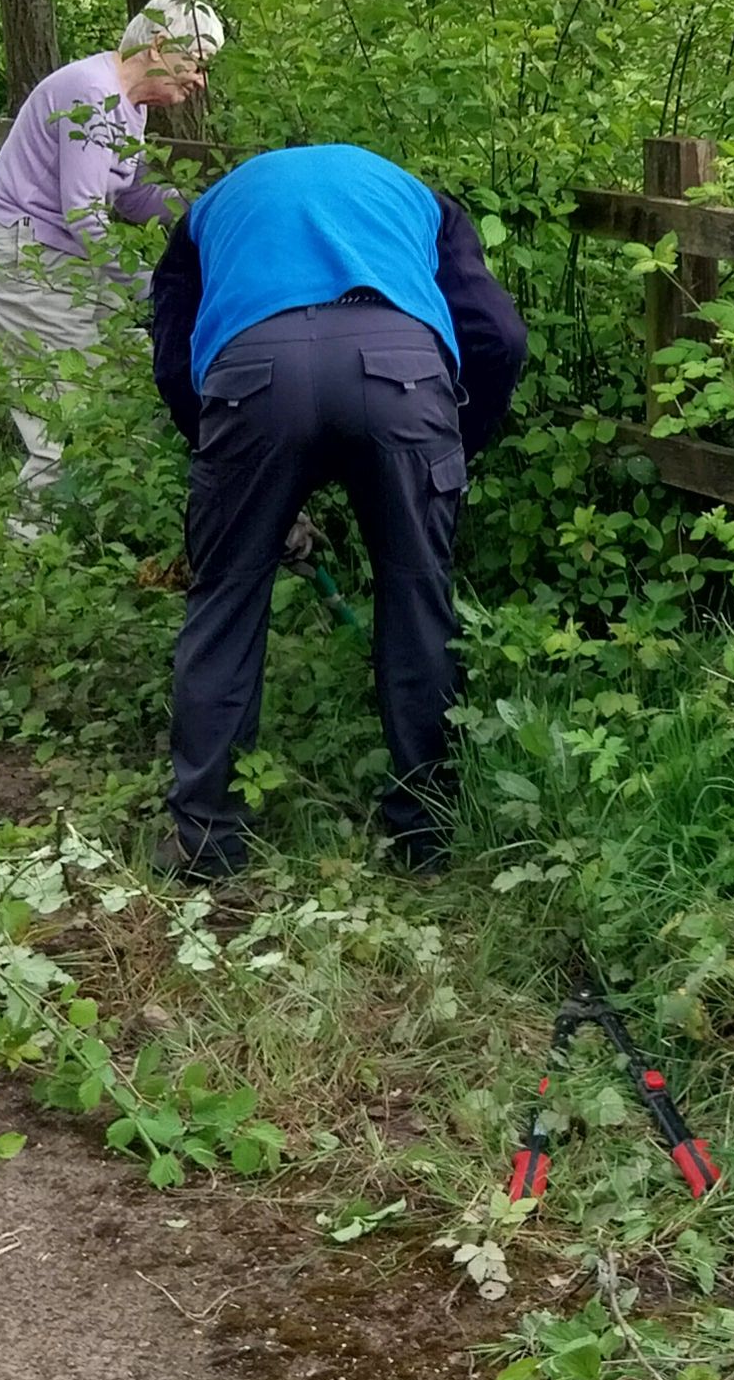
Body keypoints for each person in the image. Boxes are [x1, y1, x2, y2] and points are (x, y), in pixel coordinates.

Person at [147, 142, 526, 880]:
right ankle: (428, 835)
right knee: (419, 597)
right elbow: (501, 337)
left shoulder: (209, 211)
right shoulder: (420, 197)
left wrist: (231, 469)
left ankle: (206, 840)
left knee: (224, 601)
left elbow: (172, 359)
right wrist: (452, 453)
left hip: (251, 377)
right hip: (404, 379)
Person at [0, 0, 223, 499]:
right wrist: (153, 286)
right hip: (21, 269)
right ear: (161, 46)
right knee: (70, 428)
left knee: (137, 387)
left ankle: (102, 542)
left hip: (61, 269)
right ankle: (33, 557)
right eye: (196, 63)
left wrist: (216, 215)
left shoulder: (126, 107)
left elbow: (138, 194)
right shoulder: (91, 93)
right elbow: (83, 212)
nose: (200, 80)